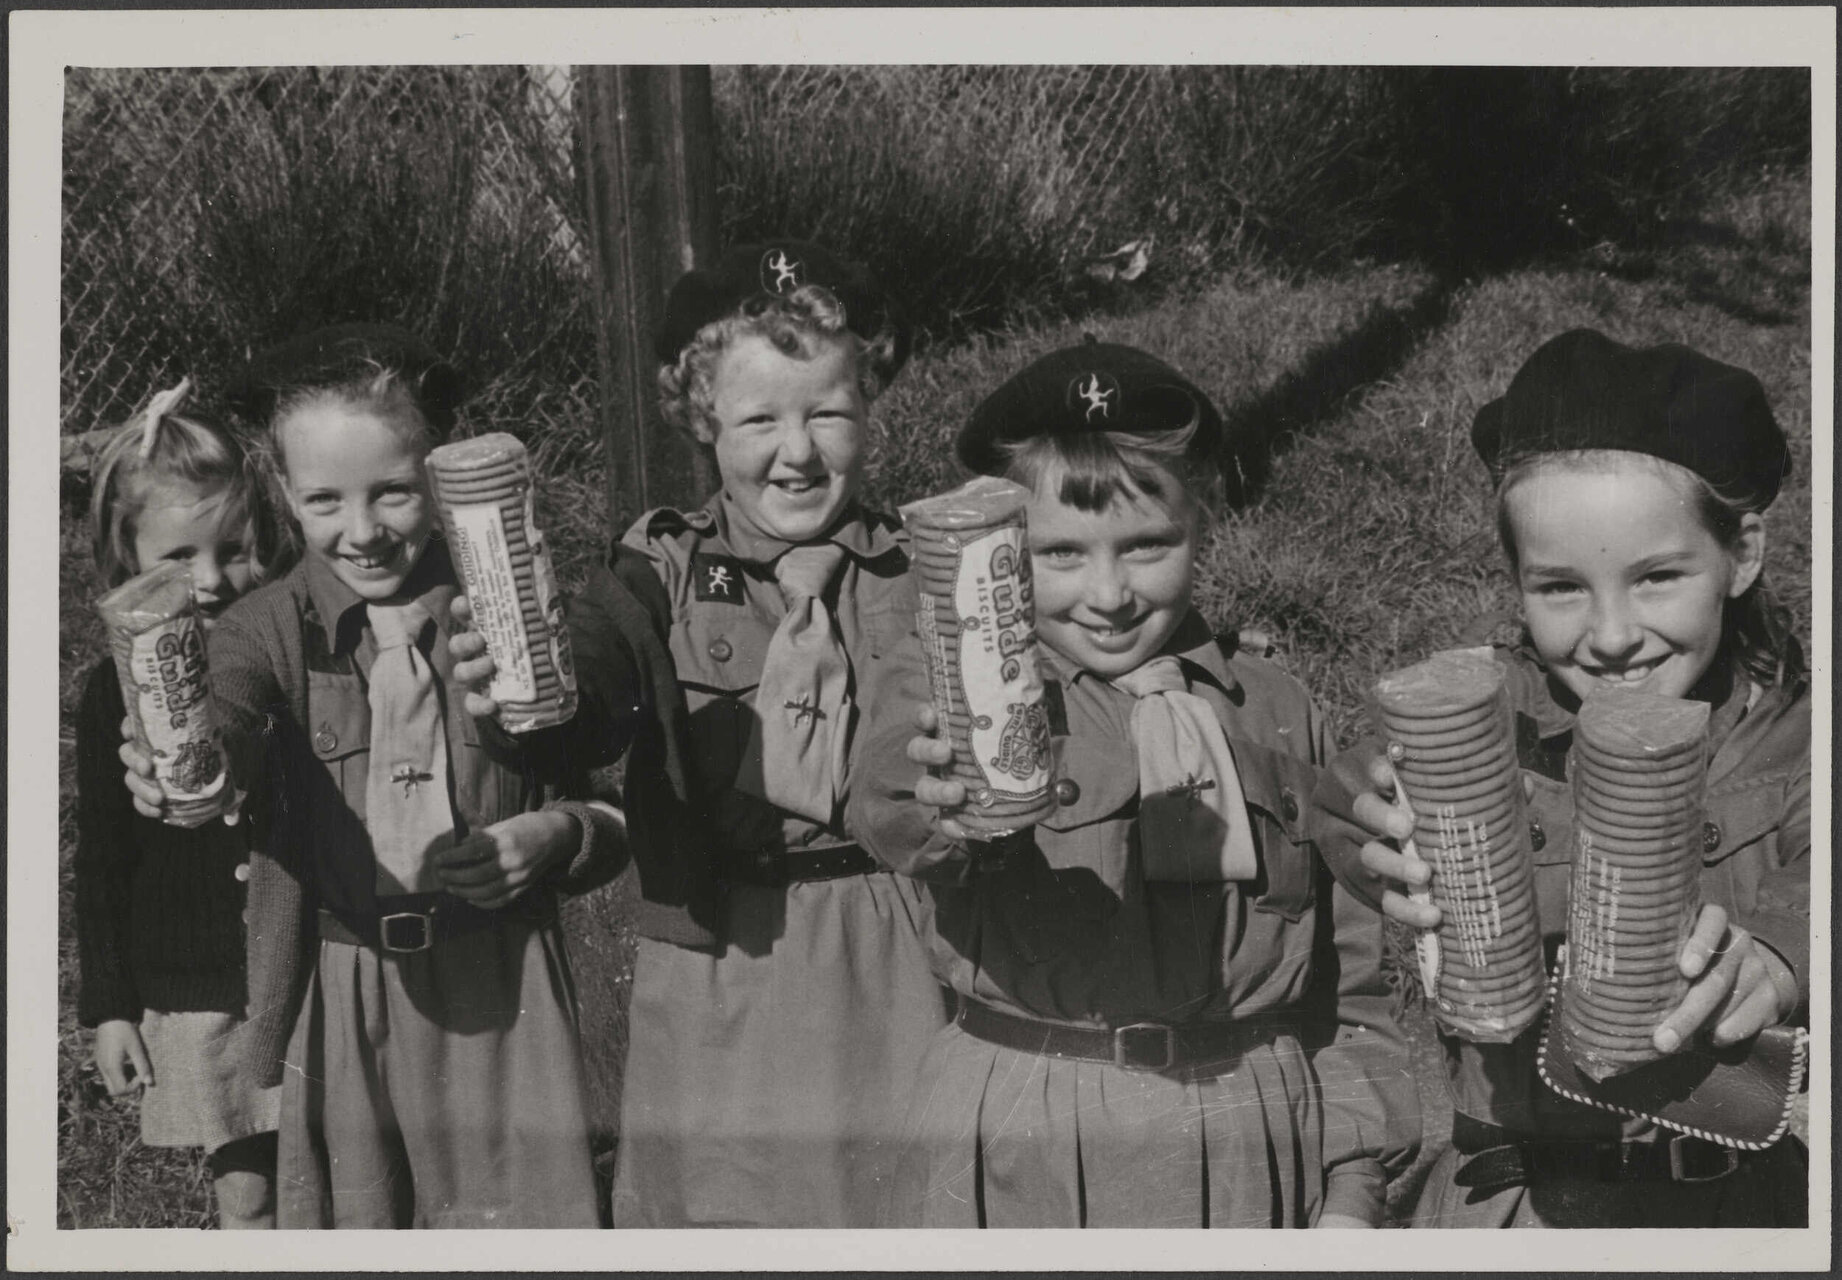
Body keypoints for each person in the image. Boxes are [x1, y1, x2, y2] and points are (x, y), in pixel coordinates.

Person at [849, 341, 1420, 1228]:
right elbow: (891, 801)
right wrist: (931, 794)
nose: (1109, 594)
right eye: (1061, 555)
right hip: (1025, 1132)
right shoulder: (957, 690)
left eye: (1148, 545)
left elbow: (1344, 985)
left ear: (1204, 525)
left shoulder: (1276, 708)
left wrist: (1352, 1184)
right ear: (1006, 554)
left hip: (1248, 1136)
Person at [119, 324, 622, 1228]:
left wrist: (555, 836)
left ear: (439, 470)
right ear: (282, 491)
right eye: (324, 500)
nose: (362, 532)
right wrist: (183, 754)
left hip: (503, 983)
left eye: (392, 491)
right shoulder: (268, 626)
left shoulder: (512, 607)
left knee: (526, 1227)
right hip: (345, 992)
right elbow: (227, 705)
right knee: (361, 1225)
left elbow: (608, 797)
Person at [505, 241, 951, 1227]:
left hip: (890, 942)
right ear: (704, 422)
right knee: (724, 1201)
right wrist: (525, 671)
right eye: (759, 419)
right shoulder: (658, 567)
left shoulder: (924, 570)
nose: (797, 451)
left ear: (869, 408)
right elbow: (586, 680)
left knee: (901, 1198)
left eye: (827, 412)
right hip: (720, 955)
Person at [1324, 328, 1809, 1227]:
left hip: (1735, 1208)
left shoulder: (1796, 742)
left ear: (1740, 555)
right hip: (1516, 1203)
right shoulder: (1486, 726)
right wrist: (1370, 833)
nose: (1613, 635)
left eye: (1658, 577)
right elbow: (1341, 801)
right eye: (1560, 588)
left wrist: (1778, 955)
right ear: (1515, 582)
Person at [76, 380, 285, 1228]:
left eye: (235, 548)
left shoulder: (283, 654)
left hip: (300, 958)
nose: (210, 581)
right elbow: (101, 854)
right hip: (201, 979)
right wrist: (111, 1006)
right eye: (176, 559)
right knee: (249, 1191)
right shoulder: (105, 697)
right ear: (125, 561)